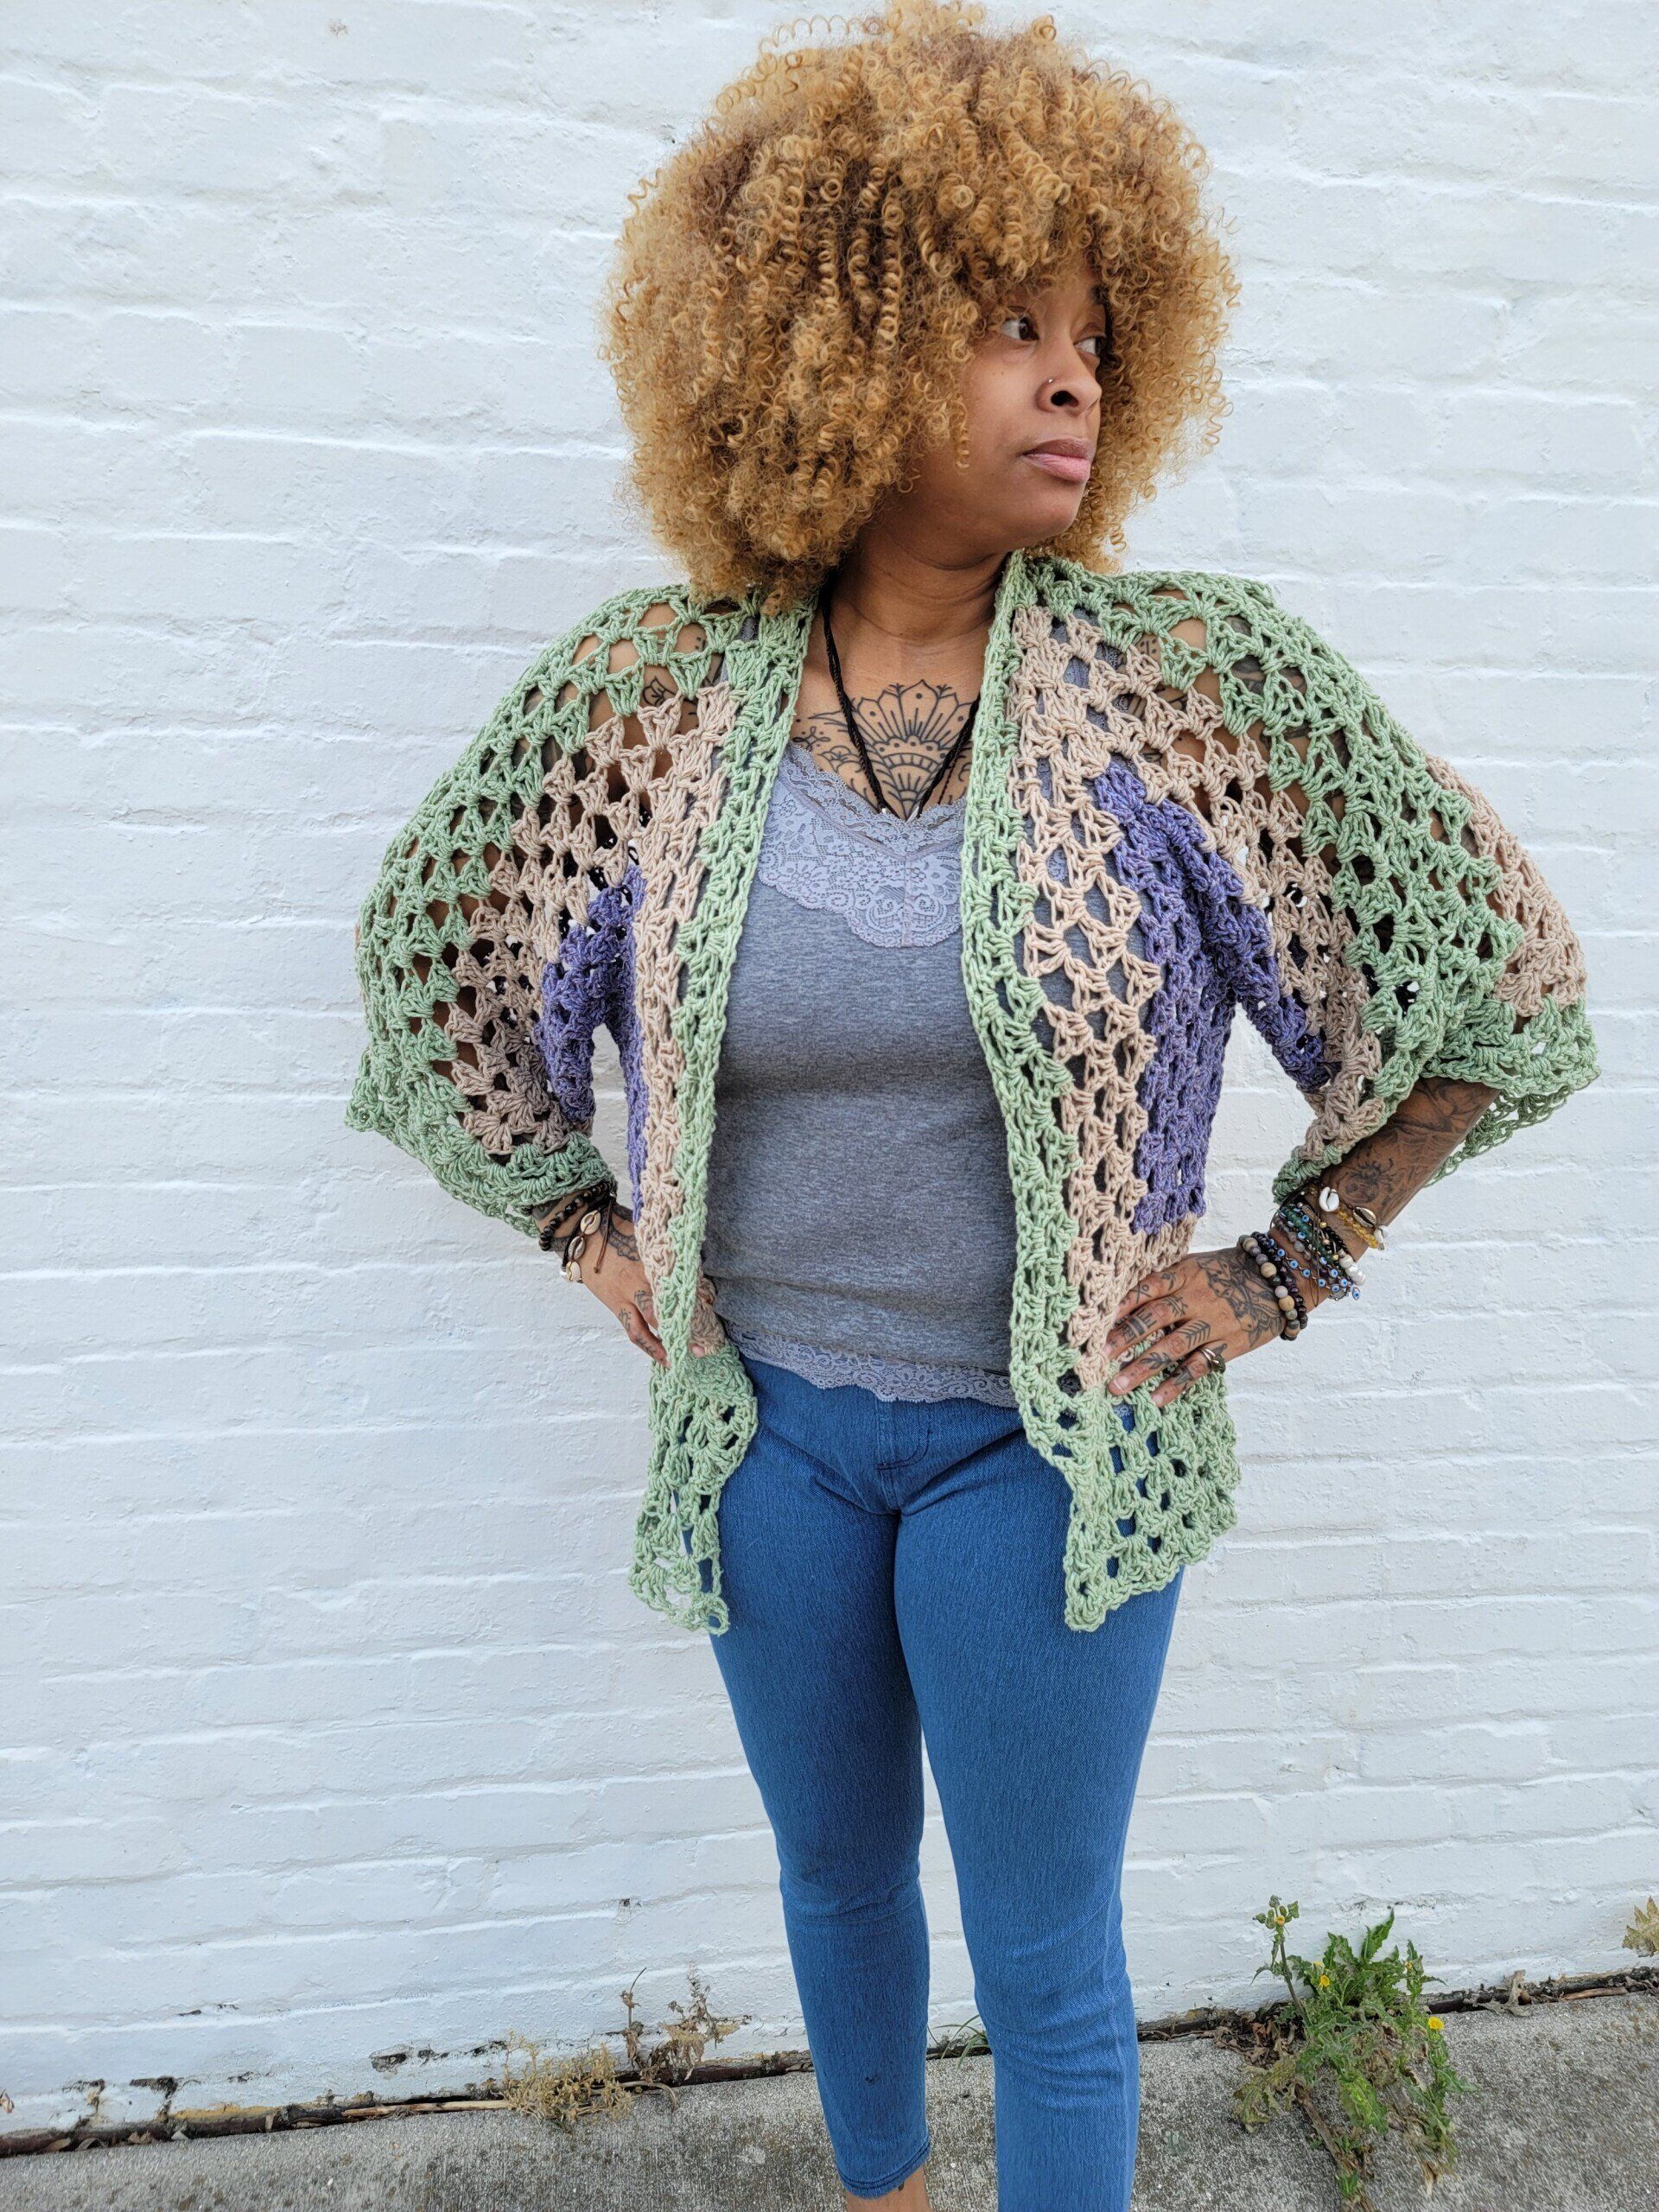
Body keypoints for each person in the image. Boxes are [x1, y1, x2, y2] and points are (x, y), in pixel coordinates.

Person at [343, 5, 1600, 2206]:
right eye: (1012, 325)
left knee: (1045, 1958)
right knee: (835, 1880)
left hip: (1055, 1443)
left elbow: (1502, 980)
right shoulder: (652, 700)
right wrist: (591, 1233)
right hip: (769, 1435)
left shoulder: (1188, 684)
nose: (1074, 378)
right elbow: (433, 966)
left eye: (1096, 335)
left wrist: (1293, 1259)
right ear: (834, 353)